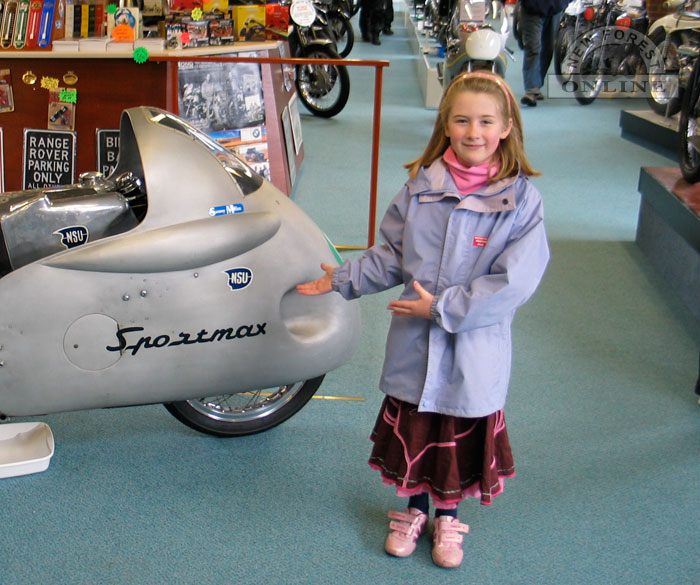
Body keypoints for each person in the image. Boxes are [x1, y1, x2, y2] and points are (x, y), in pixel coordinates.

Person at [297, 72, 550, 568]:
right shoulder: (421, 187)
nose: (473, 132)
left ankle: (448, 516)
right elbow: (393, 255)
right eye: (461, 120)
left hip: (473, 350)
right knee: (417, 431)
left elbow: (514, 283)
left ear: (506, 128)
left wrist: (440, 308)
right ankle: (414, 509)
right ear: (446, 125)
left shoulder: (521, 203)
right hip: (415, 347)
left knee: (453, 433)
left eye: (485, 121)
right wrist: (344, 278)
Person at [519, 0, 569, 106]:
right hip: (531, 8)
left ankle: (537, 83)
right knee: (533, 48)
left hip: (554, 8)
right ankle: (531, 90)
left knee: (548, 49)